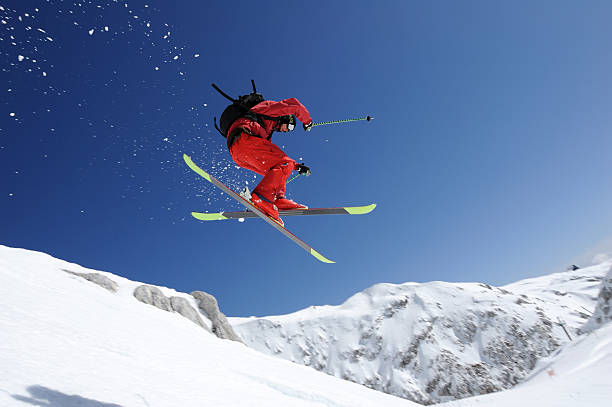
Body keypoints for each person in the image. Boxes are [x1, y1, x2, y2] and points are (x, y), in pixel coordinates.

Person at [225, 97, 314, 226]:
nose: (286, 130)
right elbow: (294, 105)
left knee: (279, 168)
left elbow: (273, 158)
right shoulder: (268, 110)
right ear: (286, 118)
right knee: (285, 163)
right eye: (289, 126)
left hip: (239, 151)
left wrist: (297, 167)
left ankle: (279, 200)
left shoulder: (267, 131)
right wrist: (307, 121)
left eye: (289, 130)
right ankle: (261, 198)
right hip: (244, 139)